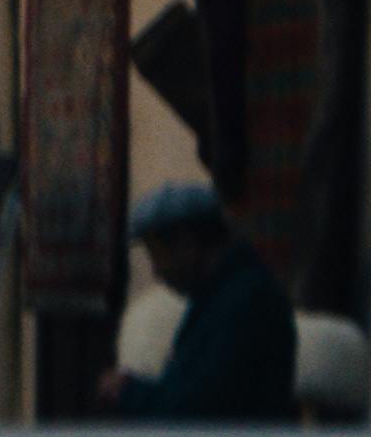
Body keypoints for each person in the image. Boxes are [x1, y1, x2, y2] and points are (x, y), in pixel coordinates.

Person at [98, 180, 297, 421]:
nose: (157, 272)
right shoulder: (220, 297)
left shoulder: (245, 305)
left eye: (157, 255)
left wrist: (128, 392)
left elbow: (196, 409)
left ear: (186, 244)